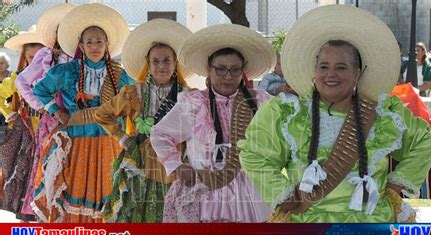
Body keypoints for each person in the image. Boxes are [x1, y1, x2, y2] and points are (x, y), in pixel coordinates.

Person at [238, 5, 431, 223]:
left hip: (372, 223)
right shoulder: (288, 113)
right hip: (306, 226)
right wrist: (282, 193)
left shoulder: (383, 113)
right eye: (323, 66)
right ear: (315, 72)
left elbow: (424, 142)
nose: (330, 74)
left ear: (357, 74)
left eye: (341, 67)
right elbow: (253, 154)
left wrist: (397, 183)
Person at [150, 24, 275, 223]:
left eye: (235, 70)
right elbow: (159, 134)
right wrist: (177, 165)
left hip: (250, 192)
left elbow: (280, 140)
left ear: (243, 71)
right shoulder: (193, 104)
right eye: (221, 69)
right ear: (209, 70)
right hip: (206, 190)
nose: (228, 76)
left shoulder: (260, 102)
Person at [31, 3, 133, 223]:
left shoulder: (121, 75)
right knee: (75, 188)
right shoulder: (67, 71)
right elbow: (40, 90)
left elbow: (135, 101)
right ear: (81, 45)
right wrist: (59, 113)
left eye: (99, 42)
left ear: (107, 44)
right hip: (77, 141)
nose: (94, 46)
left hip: (109, 142)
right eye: (89, 42)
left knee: (108, 191)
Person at [95, 19, 193, 222]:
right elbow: (102, 114)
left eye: (167, 60)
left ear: (175, 63)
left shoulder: (188, 95)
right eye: (155, 61)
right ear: (148, 65)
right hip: (141, 161)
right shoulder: (133, 93)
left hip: (175, 163)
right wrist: (122, 138)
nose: (161, 66)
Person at [14, 3, 77, 219]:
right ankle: (47, 212)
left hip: (79, 121)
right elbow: (22, 82)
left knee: (74, 165)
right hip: (52, 121)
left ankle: (70, 215)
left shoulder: (84, 55)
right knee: (50, 164)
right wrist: (42, 104)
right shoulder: (48, 56)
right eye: (62, 31)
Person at [0, 26, 45, 221]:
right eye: (30, 56)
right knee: (22, 168)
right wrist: (10, 112)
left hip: (46, 130)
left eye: (38, 56)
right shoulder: (17, 77)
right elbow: (2, 95)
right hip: (25, 130)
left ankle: (42, 208)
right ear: (24, 57)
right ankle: (24, 209)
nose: (33, 61)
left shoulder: (49, 77)